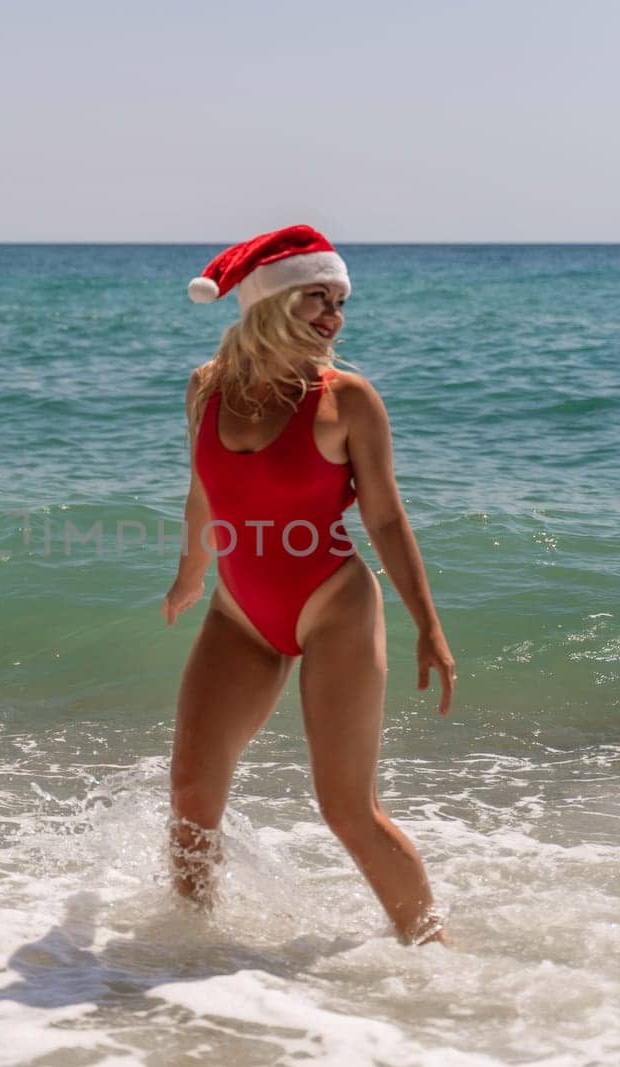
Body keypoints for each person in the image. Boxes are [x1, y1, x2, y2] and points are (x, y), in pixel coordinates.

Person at [159, 224, 456, 947]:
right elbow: (206, 493)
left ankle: (435, 957)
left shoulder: (348, 400)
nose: (335, 315)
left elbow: (385, 516)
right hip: (240, 612)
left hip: (332, 605)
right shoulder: (206, 387)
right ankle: (185, 954)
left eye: (340, 300)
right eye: (317, 296)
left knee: (347, 807)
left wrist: (428, 622)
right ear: (270, 300)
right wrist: (190, 575)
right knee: (192, 796)